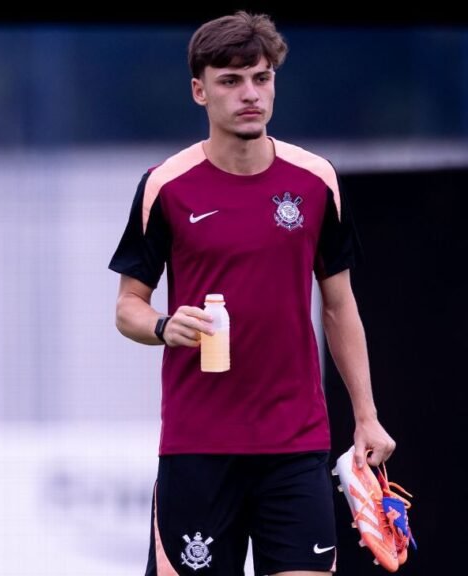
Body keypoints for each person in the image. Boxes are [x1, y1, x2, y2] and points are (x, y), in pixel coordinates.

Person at [109, 11, 395, 576]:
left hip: (296, 445)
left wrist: (366, 416)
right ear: (200, 90)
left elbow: (339, 306)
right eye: (231, 80)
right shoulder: (165, 186)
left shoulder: (316, 180)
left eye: (261, 78)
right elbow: (127, 308)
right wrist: (165, 325)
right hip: (197, 448)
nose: (250, 94)